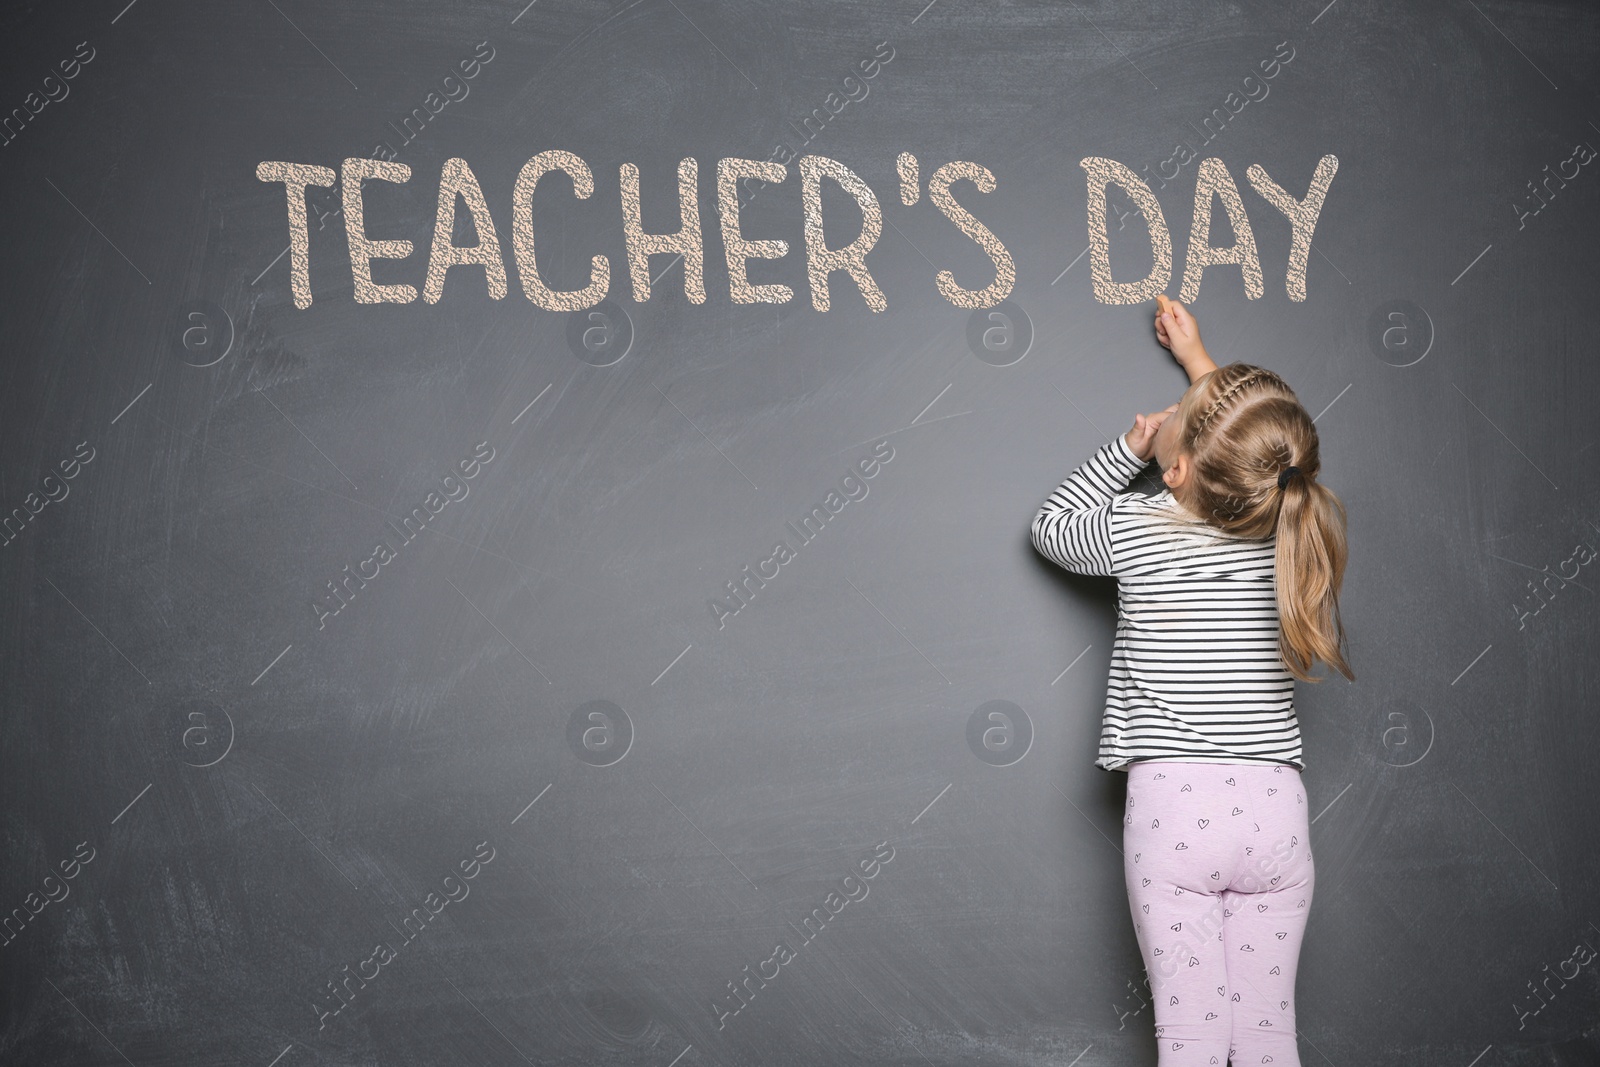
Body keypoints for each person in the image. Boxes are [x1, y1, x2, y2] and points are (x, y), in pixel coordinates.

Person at [1029, 297, 1353, 1066]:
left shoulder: (1138, 524)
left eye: (1178, 414)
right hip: (1275, 812)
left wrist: (1126, 448)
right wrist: (1201, 364)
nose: (1170, 411)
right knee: (1269, 1032)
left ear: (1175, 469)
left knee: (1195, 1039)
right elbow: (1258, 446)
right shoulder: (1283, 525)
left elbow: (1050, 526)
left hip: (1176, 812)